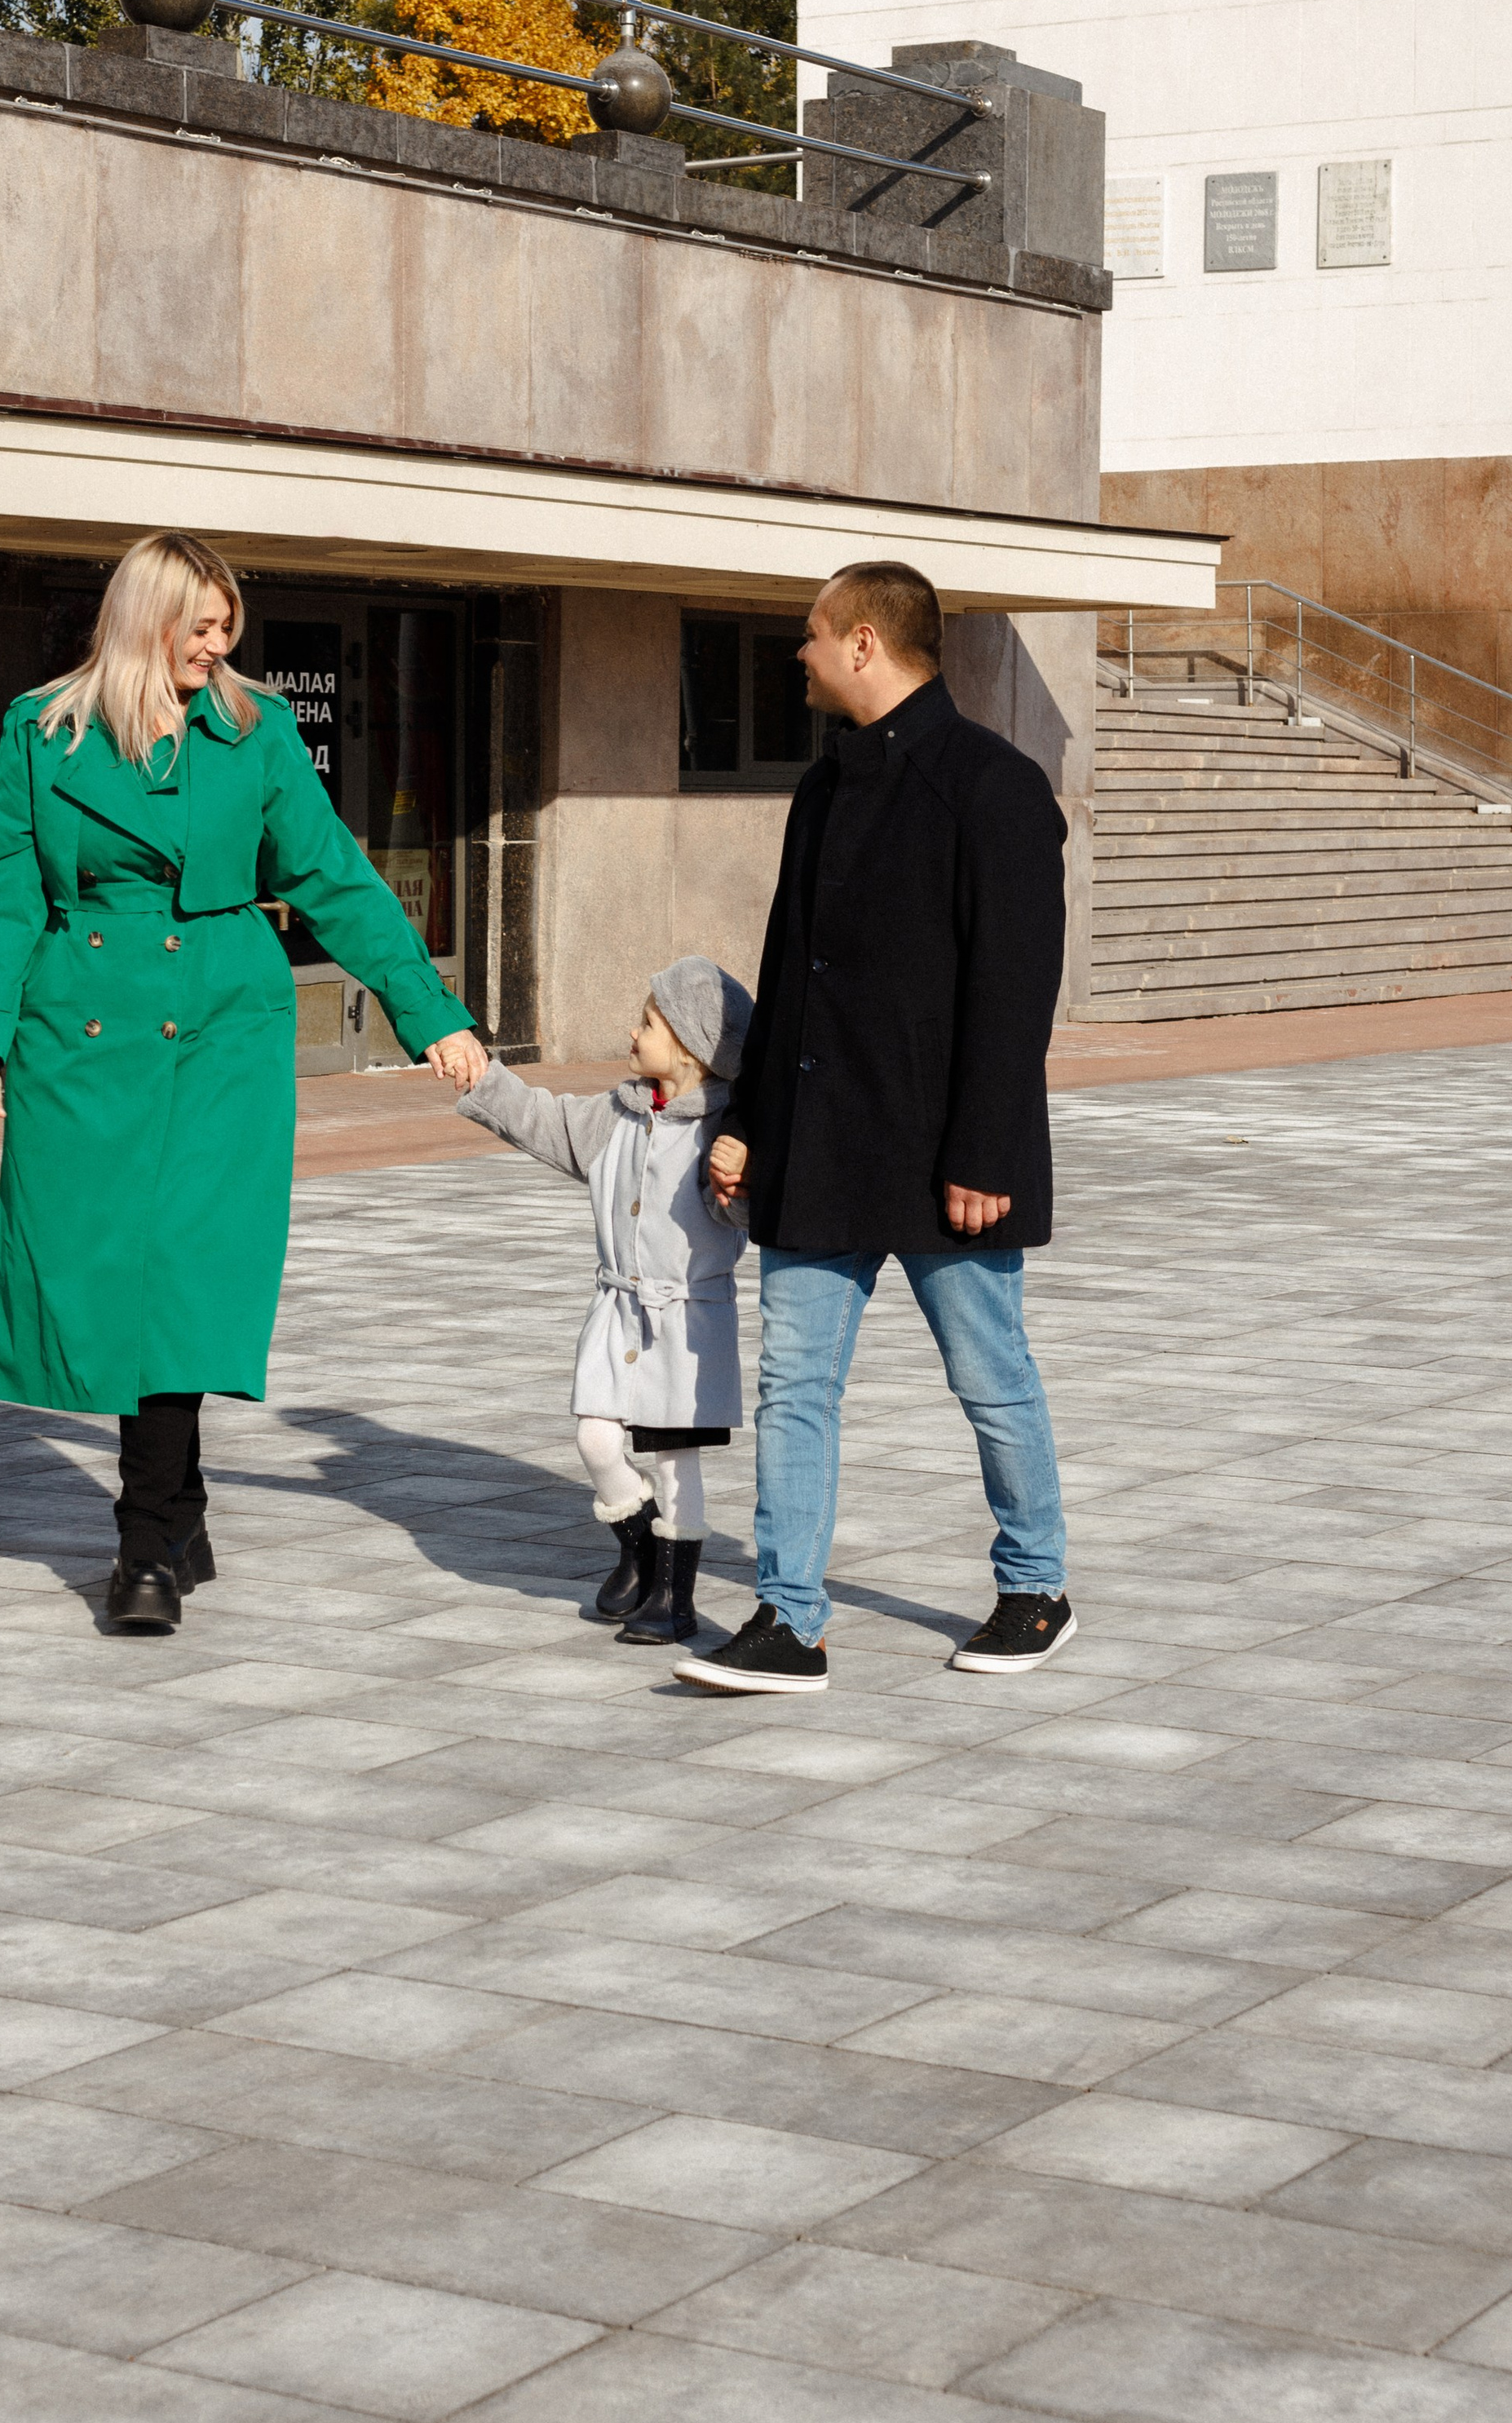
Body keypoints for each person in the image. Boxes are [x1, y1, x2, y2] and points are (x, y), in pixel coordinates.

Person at [0, 531, 487, 1634]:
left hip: (222, 1033)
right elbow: (4, 892)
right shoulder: (41, 731)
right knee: (105, 1276)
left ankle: (142, 1544)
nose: (218, 641)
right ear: (143, 619)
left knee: (186, 1275)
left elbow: (333, 875)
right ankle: (180, 1507)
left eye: (227, 621)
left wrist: (429, 1011)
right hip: (83, 1035)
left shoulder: (254, 730)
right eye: (199, 622)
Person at [674, 557, 1074, 1697]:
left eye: (809, 636)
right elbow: (789, 974)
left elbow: (1014, 987)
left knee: (989, 1375)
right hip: (820, 1149)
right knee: (793, 1384)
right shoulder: (822, 787)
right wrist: (748, 1121)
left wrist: (987, 1151)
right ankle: (787, 1620)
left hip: (949, 1157)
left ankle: (1036, 1587)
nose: (795, 656)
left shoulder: (995, 787)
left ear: (862, 642)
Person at [457, 959, 753, 1646]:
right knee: (595, 1435)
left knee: (677, 1461)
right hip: (617, 1307)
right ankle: (639, 1546)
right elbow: (545, 1120)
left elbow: (746, 1215)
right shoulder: (616, 1115)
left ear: (688, 1044)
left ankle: (673, 1599)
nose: (632, 1030)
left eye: (647, 1022)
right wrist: (485, 1080)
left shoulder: (722, 1133)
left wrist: (745, 1178)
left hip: (688, 1323)